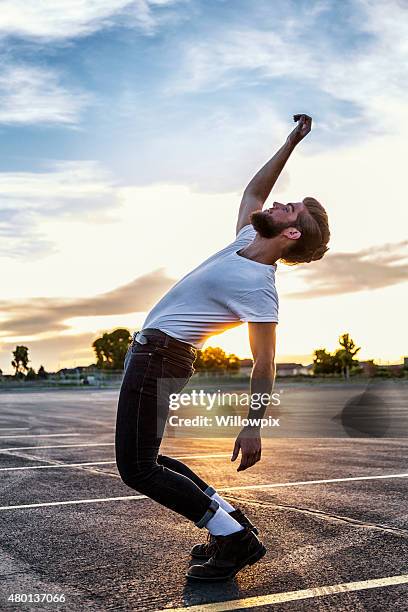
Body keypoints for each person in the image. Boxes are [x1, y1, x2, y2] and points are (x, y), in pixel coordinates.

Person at [115, 114, 330, 581]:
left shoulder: (259, 287)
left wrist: (253, 427)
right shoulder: (246, 239)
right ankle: (230, 523)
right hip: (154, 353)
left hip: (161, 356)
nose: (277, 202)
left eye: (289, 208)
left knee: (137, 470)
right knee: (150, 461)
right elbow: (252, 194)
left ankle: (234, 540)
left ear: (290, 233)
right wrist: (291, 141)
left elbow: (265, 364)